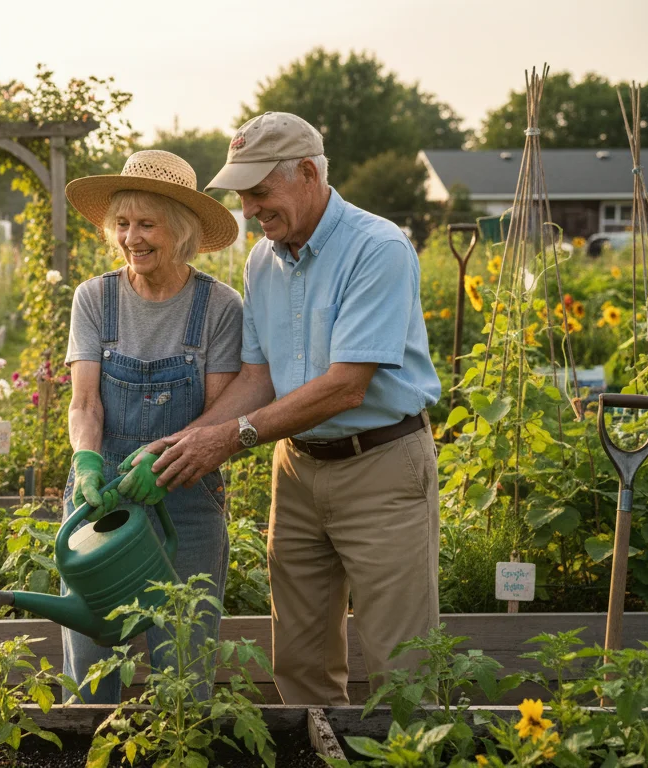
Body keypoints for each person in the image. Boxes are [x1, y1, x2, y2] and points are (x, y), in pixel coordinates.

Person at [138, 112, 442, 705]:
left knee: (402, 668)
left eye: (259, 193)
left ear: (307, 172)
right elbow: (258, 378)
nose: (248, 210)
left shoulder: (376, 248)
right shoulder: (262, 261)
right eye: (242, 196)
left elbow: (345, 386)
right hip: (298, 469)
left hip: (379, 465)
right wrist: (187, 440)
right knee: (299, 662)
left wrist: (231, 439)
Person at [61, 149, 243, 702]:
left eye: (146, 224)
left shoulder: (219, 307)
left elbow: (219, 416)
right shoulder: (94, 298)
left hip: (185, 503)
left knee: (183, 668)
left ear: (182, 231)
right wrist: (87, 461)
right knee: (92, 669)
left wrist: (165, 462)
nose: (131, 238)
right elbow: (86, 402)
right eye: (121, 224)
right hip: (104, 500)